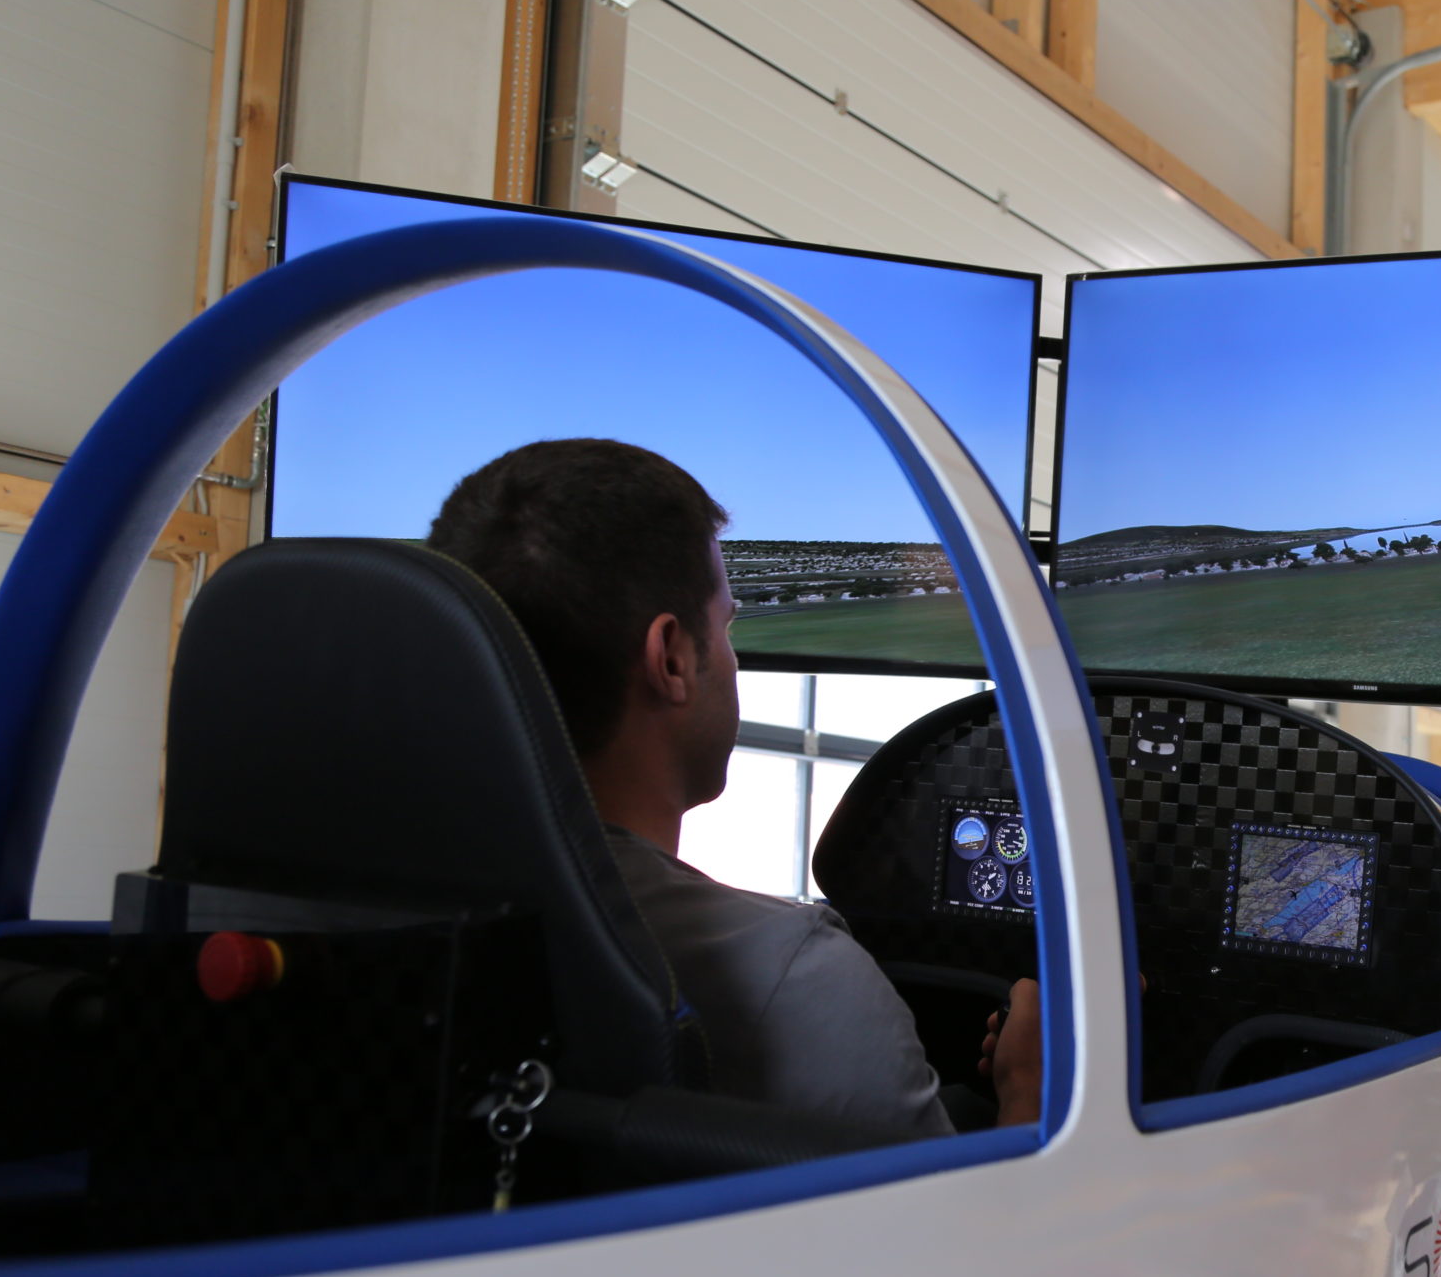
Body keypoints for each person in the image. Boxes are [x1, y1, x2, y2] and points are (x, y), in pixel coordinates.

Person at [425, 438, 1041, 1137]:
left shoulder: (393, 907)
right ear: (671, 658)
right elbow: (950, 1215)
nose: (732, 655)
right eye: (726, 624)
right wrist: (1028, 1090)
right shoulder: (798, 978)